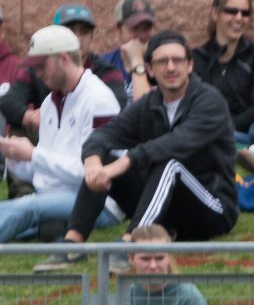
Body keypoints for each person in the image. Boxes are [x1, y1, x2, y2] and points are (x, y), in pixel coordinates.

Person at [54, 29, 237, 253]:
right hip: (165, 207)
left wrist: (126, 161)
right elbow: (105, 133)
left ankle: (131, 243)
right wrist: (93, 163)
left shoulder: (210, 101)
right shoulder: (150, 103)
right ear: (150, 69)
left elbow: (176, 143)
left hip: (212, 208)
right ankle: (72, 244)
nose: (170, 67)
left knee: (169, 164)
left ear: (189, 65)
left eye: (177, 60)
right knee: (107, 157)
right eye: (162, 62)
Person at [0, 25, 119, 245]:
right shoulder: (49, 103)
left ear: (63, 59)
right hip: (51, 197)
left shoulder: (98, 99)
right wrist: (15, 157)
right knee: (22, 208)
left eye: (42, 65)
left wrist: (33, 155)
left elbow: (92, 175)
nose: (37, 73)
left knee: (27, 207)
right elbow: (45, 174)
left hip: (96, 203)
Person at [191, 0, 254, 149]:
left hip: (241, 134)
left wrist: (224, 128)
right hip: (203, 133)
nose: (239, 18)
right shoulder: (197, 57)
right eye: (232, 11)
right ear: (215, 13)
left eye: (245, 13)